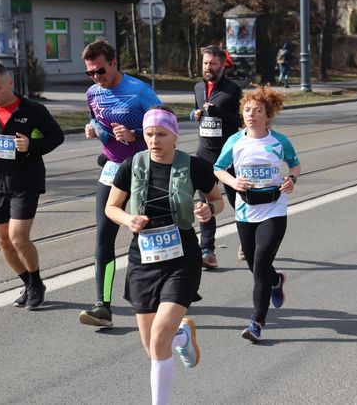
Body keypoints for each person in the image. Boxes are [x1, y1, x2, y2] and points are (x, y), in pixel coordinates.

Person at [105, 107, 224, 404]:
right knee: (153, 348)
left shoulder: (194, 166)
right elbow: (111, 207)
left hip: (181, 258)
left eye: (161, 134)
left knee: (159, 341)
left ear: (174, 135)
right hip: (143, 258)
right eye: (148, 134)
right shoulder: (132, 164)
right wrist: (127, 220)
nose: (154, 141)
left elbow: (217, 200)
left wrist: (209, 210)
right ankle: (183, 337)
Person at [79, 40, 162, 327]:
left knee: (147, 236)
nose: (96, 78)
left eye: (100, 70)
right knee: (103, 236)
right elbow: (95, 118)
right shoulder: (93, 93)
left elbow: (166, 126)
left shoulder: (140, 92)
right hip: (113, 170)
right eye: (90, 73)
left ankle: (164, 295)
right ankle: (102, 306)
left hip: (144, 169)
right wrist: (93, 128)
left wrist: (136, 134)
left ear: (114, 63)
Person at [214, 86, 300, 342]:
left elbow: (294, 164)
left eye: (257, 110)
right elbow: (218, 168)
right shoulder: (235, 141)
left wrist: (291, 179)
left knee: (261, 263)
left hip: (274, 209)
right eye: (247, 110)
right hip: (245, 210)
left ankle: (257, 322)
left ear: (267, 115)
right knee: (254, 265)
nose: (251, 114)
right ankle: (276, 280)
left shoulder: (279, 141)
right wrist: (233, 182)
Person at [0, 62, 64, 309]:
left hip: (26, 180)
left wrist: (32, 146)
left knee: (18, 237)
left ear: (9, 83)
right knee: (3, 240)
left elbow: (56, 136)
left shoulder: (33, 109)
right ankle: (29, 284)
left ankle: (36, 283)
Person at [192, 45, 243, 267]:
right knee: (206, 204)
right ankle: (207, 251)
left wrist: (219, 113)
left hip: (227, 155)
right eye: (205, 63)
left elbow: (240, 121)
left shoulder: (232, 90)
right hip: (204, 154)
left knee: (237, 201)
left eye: (212, 63)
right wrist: (195, 114)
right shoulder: (197, 88)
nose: (208, 67)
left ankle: (247, 241)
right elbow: (198, 113)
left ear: (222, 65)